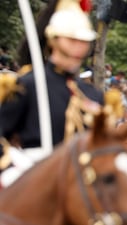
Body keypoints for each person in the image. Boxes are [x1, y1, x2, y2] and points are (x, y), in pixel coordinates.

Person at [0, 1, 103, 186]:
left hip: (80, 186)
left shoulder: (92, 94)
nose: (79, 46)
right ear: (54, 39)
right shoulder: (27, 85)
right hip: (33, 183)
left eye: (84, 41)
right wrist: (15, 169)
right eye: (72, 40)